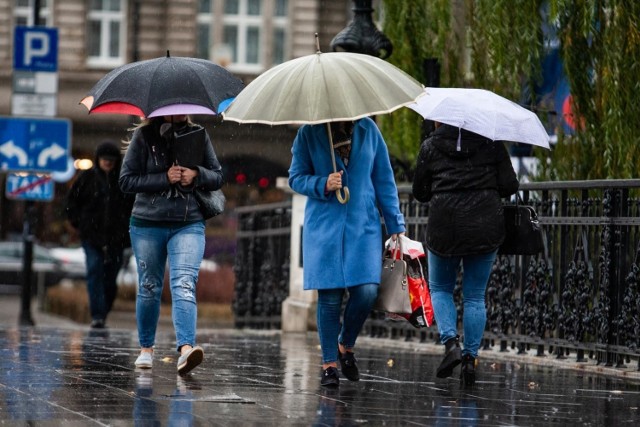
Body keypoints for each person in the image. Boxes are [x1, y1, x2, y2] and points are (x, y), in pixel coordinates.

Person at [288, 117, 406, 387]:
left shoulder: (368, 130)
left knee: (366, 291)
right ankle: (329, 364)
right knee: (329, 296)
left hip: (362, 225)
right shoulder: (309, 132)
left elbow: (383, 180)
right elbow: (295, 178)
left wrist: (395, 223)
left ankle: (345, 344)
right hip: (324, 226)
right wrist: (322, 184)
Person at [412, 122, 519, 386]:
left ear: (440, 120)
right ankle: (470, 360)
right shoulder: (491, 144)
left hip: (444, 227)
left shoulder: (430, 146)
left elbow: (420, 192)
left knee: (439, 288)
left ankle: (451, 345)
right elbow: (509, 185)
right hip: (484, 226)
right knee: (474, 296)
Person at [119, 114, 223, 375]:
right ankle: (146, 349)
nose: (176, 111)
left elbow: (218, 177)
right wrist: (164, 177)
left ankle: (186, 349)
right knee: (149, 286)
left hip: (188, 222)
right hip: (147, 223)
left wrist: (196, 174)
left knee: (184, 282)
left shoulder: (198, 134)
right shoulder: (144, 137)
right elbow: (126, 181)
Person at [66, 140, 134, 329]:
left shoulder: (122, 180)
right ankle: (97, 314)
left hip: (117, 239)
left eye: (111, 160)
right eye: (105, 159)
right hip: (92, 236)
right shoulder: (86, 178)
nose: (107, 163)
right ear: (98, 159)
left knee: (110, 279)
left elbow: (131, 207)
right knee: (95, 272)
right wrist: (79, 224)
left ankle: (102, 311)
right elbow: (71, 203)